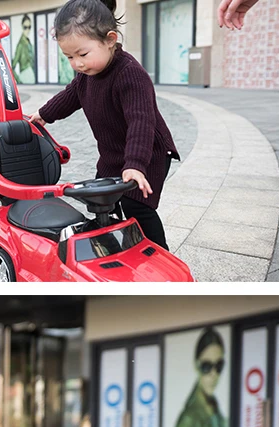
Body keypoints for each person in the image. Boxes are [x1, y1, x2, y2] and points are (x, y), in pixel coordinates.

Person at [29, 0, 179, 250]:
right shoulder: (86, 75)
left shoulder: (130, 74)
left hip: (147, 154)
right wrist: (43, 114)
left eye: (83, 54)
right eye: (69, 57)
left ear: (110, 39)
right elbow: (70, 96)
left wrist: (135, 165)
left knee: (135, 205)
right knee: (104, 202)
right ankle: (121, 247)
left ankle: (159, 255)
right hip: (113, 155)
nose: (77, 63)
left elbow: (140, 121)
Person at [12, 15, 36, 84]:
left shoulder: (29, 42)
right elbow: (12, 67)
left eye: (29, 27)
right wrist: (19, 80)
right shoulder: (20, 45)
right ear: (22, 27)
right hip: (25, 76)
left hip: (32, 76)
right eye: (25, 27)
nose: (27, 30)